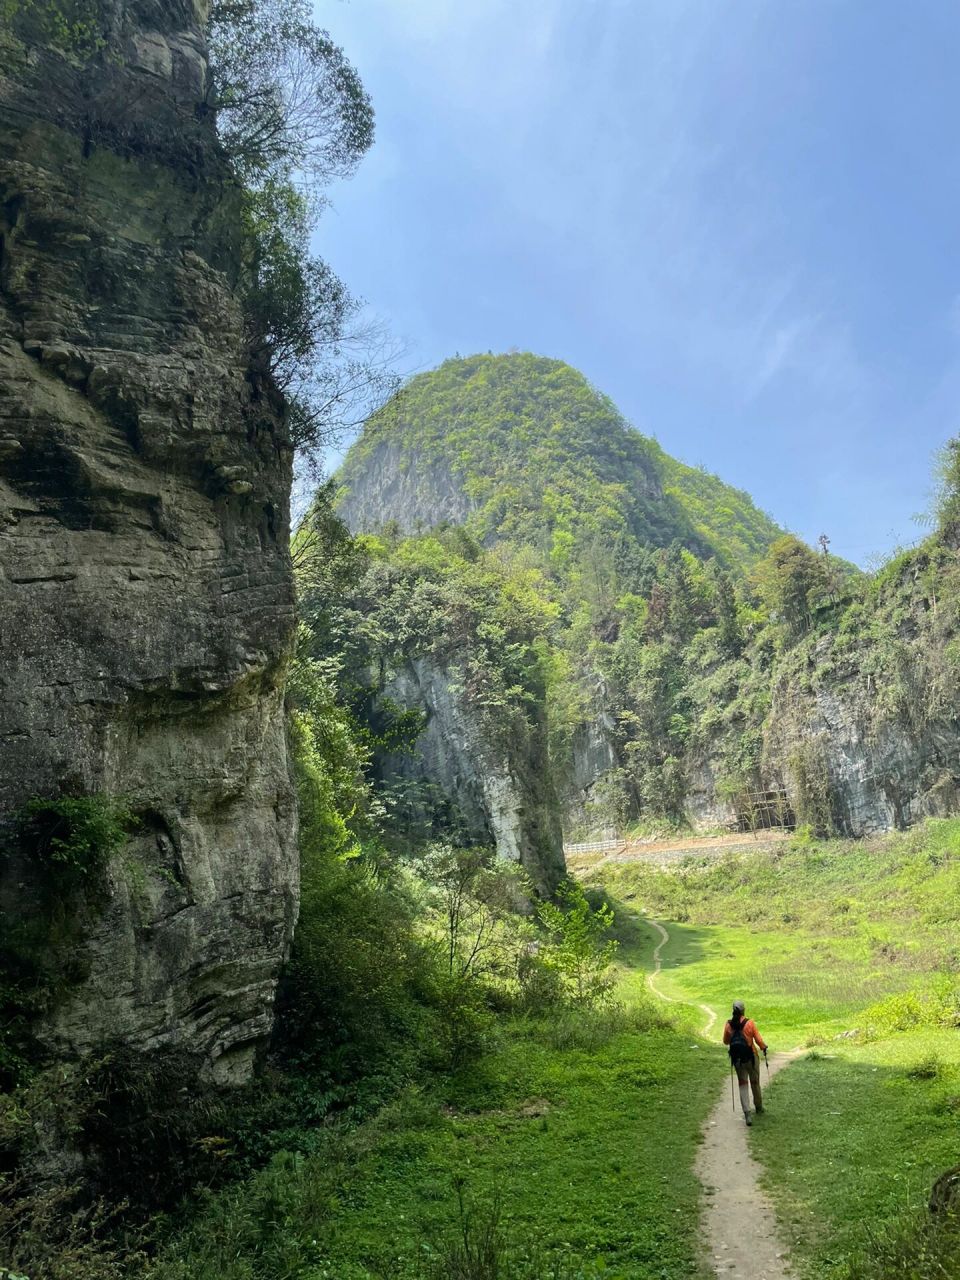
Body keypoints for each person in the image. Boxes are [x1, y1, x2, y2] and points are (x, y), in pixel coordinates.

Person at [723, 999, 768, 1125]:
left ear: (733, 1010)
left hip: (737, 1059)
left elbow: (726, 1042)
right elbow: (759, 1040)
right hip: (751, 1057)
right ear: (743, 1010)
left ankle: (747, 1113)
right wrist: (764, 1047)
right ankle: (758, 1107)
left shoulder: (728, 1025)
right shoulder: (750, 1023)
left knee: (742, 1084)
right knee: (755, 1082)